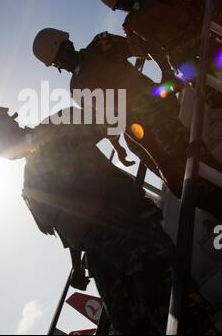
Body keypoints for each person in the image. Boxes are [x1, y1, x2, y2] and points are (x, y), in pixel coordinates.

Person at [0, 106, 217, 334]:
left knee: (182, 316)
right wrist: (77, 265)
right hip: (103, 262)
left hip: (133, 237)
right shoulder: (30, 184)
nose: (0, 153)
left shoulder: (55, 126)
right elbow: (70, 223)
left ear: (2, 125)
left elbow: (110, 120)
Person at [33, 28, 222, 220]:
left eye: (61, 54)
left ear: (69, 44)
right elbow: (104, 117)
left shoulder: (99, 47)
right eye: (57, 61)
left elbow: (147, 46)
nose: (62, 62)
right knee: (177, 184)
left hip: (154, 110)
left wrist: (166, 73)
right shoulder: (75, 88)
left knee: (187, 155)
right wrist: (118, 147)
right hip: (135, 135)